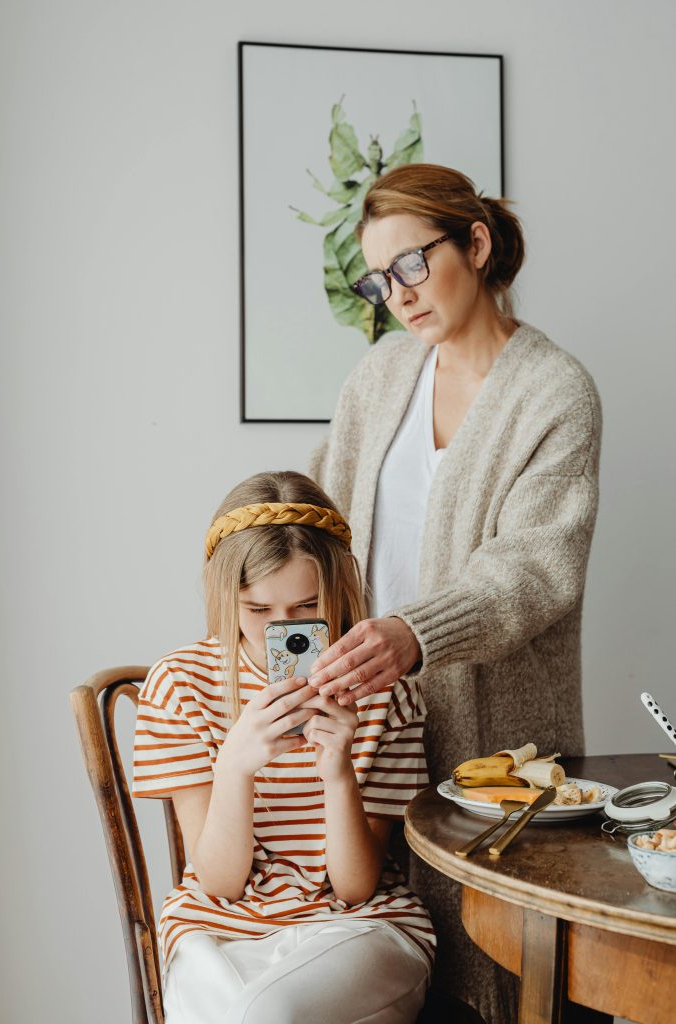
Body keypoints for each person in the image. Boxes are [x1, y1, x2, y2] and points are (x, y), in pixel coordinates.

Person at [307, 164, 601, 1023]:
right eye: (377, 277)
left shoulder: (554, 389)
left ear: (474, 245)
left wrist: (414, 631)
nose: (396, 294)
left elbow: (535, 567)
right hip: (368, 732)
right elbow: (321, 518)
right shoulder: (377, 379)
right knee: (385, 964)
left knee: (493, 978)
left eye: (411, 263)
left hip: (494, 746)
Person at [132, 470, 435, 1024]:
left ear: (338, 590)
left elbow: (355, 887)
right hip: (216, 926)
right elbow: (221, 882)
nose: (285, 631)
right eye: (258, 611)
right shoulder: (179, 684)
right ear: (226, 597)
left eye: (305, 607)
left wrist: (339, 774)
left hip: (358, 927)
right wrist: (235, 766)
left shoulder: (387, 693)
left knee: (264, 1014)